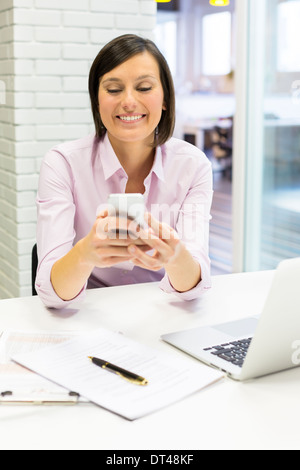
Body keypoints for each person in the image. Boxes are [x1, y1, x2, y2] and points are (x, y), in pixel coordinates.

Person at [35, 34, 213, 309]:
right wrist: (85, 252)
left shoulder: (192, 166)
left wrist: (174, 256)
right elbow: (50, 293)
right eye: (114, 89)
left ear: (165, 98)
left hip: (163, 311)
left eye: (144, 87)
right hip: (89, 316)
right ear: (96, 100)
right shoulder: (62, 164)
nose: (129, 102)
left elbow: (193, 289)